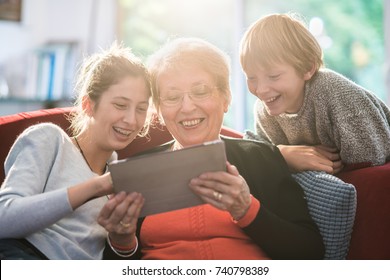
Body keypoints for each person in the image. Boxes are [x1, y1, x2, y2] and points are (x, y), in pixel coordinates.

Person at [108, 37, 324, 260]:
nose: (188, 107)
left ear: (225, 98)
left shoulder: (260, 157)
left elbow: (310, 253)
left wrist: (247, 210)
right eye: (172, 97)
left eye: (200, 91)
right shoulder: (139, 170)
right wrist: (122, 242)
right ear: (160, 110)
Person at [0, 42, 151, 259]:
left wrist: (124, 239)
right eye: (120, 105)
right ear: (88, 104)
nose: (131, 120)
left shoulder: (120, 177)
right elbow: (4, 219)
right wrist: (96, 186)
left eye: (141, 109)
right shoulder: (49, 139)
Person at [239, 13, 390, 174]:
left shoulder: (335, 93)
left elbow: (373, 165)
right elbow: (260, 158)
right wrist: (282, 154)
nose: (261, 89)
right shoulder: (265, 108)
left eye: (274, 76)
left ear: (307, 69)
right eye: (251, 78)